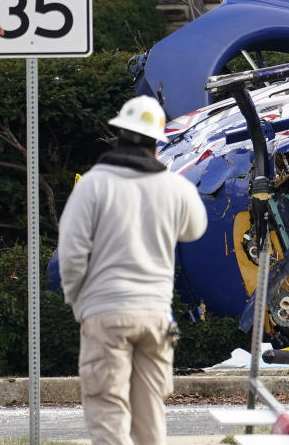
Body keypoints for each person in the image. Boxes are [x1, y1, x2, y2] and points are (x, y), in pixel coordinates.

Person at [58, 95, 207, 445]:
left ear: (119, 136)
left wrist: (78, 303)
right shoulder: (175, 187)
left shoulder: (94, 184)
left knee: (107, 406)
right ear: (157, 143)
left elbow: (71, 251)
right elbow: (195, 229)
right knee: (149, 410)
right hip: (155, 314)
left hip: (105, 310)